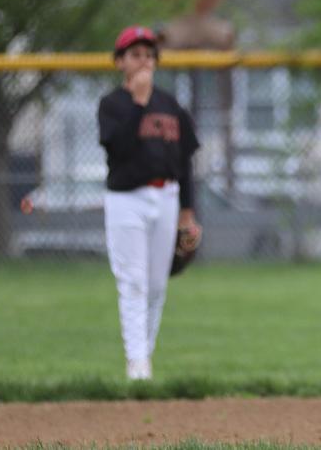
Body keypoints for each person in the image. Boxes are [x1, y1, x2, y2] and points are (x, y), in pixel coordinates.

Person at [97, 25, 202, 380]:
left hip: (167, 197)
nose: (144, 61)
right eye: (135, 55)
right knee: (133, 283)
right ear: (120, 62)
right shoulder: (112, 104)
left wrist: (187, 212)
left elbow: (185, 162)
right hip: (127, 199)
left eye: (149, 55)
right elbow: (119, 148)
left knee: (157, 285)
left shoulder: (171, 106)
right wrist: (139, 103)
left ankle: (143, 358)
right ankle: (137, 365)